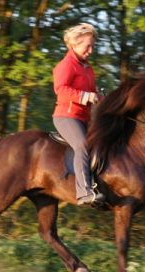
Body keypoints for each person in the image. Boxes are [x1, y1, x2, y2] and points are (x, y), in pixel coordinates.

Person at [52, 23, 105, 206]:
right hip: (66, 117)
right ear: (75, 43)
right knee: (82, 145)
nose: (90, 50)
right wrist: (85, 96)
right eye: (87, 46)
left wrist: (100, 98)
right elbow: (61, 90)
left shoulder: (88, 69)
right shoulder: (66, 65)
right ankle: (83, 192)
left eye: (93, 47)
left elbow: (92, 94)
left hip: (85, 117)